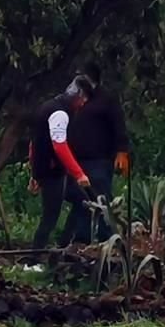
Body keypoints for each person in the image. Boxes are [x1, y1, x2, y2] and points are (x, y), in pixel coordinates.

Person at [61, 62, 130, 244]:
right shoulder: (74, 100)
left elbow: (119, 126)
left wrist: (122, 151)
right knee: (81, 200)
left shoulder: (106, 99)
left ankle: (108, 238)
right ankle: (80, 239)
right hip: (76, 160)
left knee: (102, 198)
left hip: (99, 159)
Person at [29, 75, 95, 249]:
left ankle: (63, 246)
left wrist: (33, 172)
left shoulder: (50, 106)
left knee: (83, 202)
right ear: (77, 95)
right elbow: (59, 146)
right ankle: (33, 259)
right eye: (83, 99)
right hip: (51, 172)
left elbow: (34, 143)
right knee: (50, 216)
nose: (83, 104)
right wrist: (79, 173)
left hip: (51, 170)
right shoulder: (60, 113)